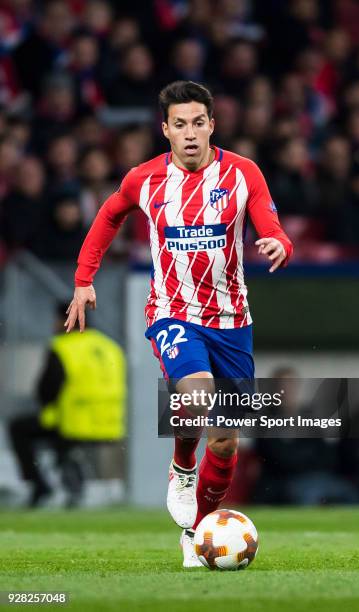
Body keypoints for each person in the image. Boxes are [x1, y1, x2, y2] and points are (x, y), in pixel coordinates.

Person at [65, 80, 293, 566]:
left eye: (198, 123)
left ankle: (196, 531)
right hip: (172, 311)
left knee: (228, 440)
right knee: (196, 393)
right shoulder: (143, 179)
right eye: (180, 124)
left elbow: (272, 228)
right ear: (165, 129)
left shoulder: (243, 174)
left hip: (233, 320)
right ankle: (182, 466)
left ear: (212, 125)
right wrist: (84, 279)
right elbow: (108, 218)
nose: (190, 133)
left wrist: (280, 244)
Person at [9, 303, 126, 507]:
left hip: (75, 424)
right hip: (111, 425)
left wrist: (48, 406)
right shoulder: (110, 347)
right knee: (57, 431)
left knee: (19, 427)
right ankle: (70, 474)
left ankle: (39, 486)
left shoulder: (64, 347)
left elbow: (47, 390)